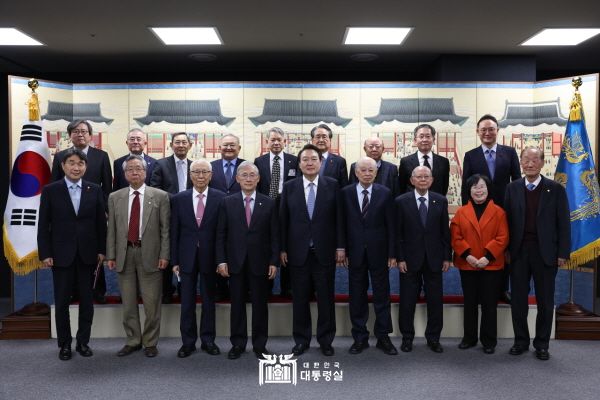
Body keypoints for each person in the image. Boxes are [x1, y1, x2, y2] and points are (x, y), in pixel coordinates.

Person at [38, 148, 106, 360]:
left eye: (81, 164)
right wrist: (45, 253)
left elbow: (100, 224)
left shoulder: (94, 190)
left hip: (88, 255)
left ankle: (83, 342)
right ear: (63, 166)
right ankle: (65, 345)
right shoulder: (51, 190)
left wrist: (102, 250)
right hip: (60, 254)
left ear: (86, 167)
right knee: (62, 303)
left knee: (87, 302)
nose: (76, 167)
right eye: (72, 163)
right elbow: (43, 225)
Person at [504, 146, 570, 361]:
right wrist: (506, 250)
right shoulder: (512, 188)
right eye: (526, 160)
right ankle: (520, 341)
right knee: (519, 301)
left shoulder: (556, 189)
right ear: (521, 163)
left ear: (542, 163)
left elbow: (564, 225)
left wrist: (562, 253)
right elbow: (505, 223)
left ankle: (542, 344)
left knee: (544, 301)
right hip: (519, 252)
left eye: (535, 160)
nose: (530, 164)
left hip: (546, 253)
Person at [280, 143, 345, 357]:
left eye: (313, 159)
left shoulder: (332, 185)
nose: (309, 163)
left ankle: (326, 340)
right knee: (299, 299)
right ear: (299, 164)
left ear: (321, 162)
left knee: (326, 298)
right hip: (297, 252)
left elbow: (339, 219)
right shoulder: (289, 187)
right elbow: (283, 221)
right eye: (305, 160)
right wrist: (282, 249)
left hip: (324, 251)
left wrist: (340, 246)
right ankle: (301, 340)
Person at [107, 155, 170, 358]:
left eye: (139, 169)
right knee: (128, 303)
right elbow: (112, 230)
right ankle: (133, 340)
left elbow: (165, 230)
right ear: (124, 174)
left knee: (152, 304)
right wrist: (111, 255)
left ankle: (150, 342)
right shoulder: (115, 197)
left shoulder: (160, 196)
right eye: (130, 169)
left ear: (145, 172)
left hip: (150, 254)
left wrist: (165, 255)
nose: (135, 172)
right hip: (124, 254)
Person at [216, 161, 279, 360]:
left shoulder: (268, 202)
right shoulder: (228, 202)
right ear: (237, 179)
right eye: (244, 175)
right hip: (235, 262)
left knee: (260, 306)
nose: (249, 179)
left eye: (252, 175)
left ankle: (260, 345)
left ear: (259, 178)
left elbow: (275, 236)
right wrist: (221, 261)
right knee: (237, 305)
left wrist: (274, 261)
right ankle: (238, 344)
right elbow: (221, 235)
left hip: (261, 263)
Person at [461, 114, 521, 304]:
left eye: (491, 129)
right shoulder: (471, 155)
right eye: (483, 129)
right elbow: (465, 186)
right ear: (477, 132)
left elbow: (517, 181)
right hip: (478, 210)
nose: (487, 133)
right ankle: (480, 288)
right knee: (480, 246)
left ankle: (503, 289)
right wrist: (466, 213)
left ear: (497, 130)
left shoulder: (510, 153)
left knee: (504, 249)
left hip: (505, 210)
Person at [51, 119, 112, 304]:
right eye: (76, 131)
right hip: (67, 215)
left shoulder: (101, 156)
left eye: (84, 131)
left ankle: (98, 290)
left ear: (90, 135)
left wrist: (106, 211)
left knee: (93, 251)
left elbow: (107, 186)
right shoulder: (60, 156)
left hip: (94, 213)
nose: (80, 134)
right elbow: (54, 184)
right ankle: (72, 291)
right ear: (70, 135)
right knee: (71, 252)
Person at [342, 157, 397, 355]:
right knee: (356, 295)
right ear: (356, 173)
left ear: (376, 173)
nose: (367, 173)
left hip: (379, 252)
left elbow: (392, 225)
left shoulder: (385, 193)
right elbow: (342, 224)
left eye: (370, 170)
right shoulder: (346, 193)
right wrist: (343, 249)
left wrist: (392, 253)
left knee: (382, 294)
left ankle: (383, 337)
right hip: (354, 252)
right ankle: (359, 337)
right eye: (363, 170)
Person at [170, 159, 225, 358]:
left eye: (204, 172)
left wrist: (221, 259)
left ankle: (208, 340)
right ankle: (188, 342)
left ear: (211, 175)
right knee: (187, 302)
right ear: (191, 175)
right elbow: (174, 231)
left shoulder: (221, 198)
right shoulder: (179, 198)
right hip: (186, 257)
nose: (200, 176)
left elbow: (222, 233)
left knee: (209, 300)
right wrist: (174, 260)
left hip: (210, 257)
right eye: (196, 172)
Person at [395, 166, 451, 353]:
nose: (422, 179)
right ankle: (407, 337)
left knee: (435, 301)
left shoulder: (440, 201)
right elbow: (398, 234)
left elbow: (445, 232)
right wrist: (400, 258)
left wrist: (446, 257)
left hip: (434, 259)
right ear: (412, 180)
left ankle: (433, 338)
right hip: (409, 260)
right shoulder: (401, 201)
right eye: (418, 176)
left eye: (426, 176)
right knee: (407, 301)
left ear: (432, 180)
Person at [450, 174, 509, 354]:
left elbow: (503, 237)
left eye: (482, 186)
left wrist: (487, 257)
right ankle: (469, 337)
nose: (479, 190)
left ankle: (489, 340)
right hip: (468, 264)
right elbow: (455, 236)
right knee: (470, 303)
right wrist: (468, 255)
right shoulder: (461, 212)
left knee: (489, 304)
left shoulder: (499, 211)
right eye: (475, 187)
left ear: (488, 189)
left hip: (490, 265)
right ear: (469, 191)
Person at [254, 127, 298, 297]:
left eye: (279, 140)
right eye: (273, 140)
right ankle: (267, 286)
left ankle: (288, 287)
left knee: (288, 246)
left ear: (284, 141)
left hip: (288, 209)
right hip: (265, 208)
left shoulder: (294, 161)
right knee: (268, 246)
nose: (276, 142)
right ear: (267, 142)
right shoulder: (259, 161)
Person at [149, 132, 192, 304]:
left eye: (184, 142)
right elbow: (154, 189)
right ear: (171, 145)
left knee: (186, 252)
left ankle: (184, 289)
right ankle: (166, 290)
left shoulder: (195, 165)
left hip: (190, 217)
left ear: (190, 145)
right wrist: (178, 199)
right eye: (177, 142)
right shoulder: (161, 164)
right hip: (167, 215)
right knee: (166, 250)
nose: (181, 145)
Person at [209, 133, 246, 301]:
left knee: (239, 253)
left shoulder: (246, 167)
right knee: (218, 252)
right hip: (215, 219)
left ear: (239, 148)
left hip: (241, 220)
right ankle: (219, 289)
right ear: (219, 148)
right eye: (225, 145)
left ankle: (240, 291)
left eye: (233, 145)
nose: (229, 148)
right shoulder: (210, 167)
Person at [398, 124, 449, 196]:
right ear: (415, 140)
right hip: (411, 204)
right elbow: (402, 187)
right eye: (421, 136)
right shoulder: (405, 162)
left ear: (434, 140)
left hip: (436, 204)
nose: (424, 139)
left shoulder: (444, 162)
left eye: (428, 136)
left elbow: (444, 187)